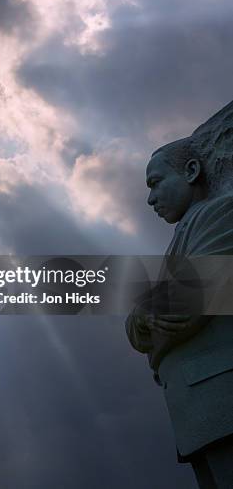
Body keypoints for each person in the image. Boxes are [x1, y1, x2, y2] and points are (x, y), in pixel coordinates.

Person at [126, 137, 233, 489]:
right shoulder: (181, 239)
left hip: (222, 398)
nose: (150, 199)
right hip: (199, 412)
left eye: (156, 182)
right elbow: (136, 326)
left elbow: (187, 304)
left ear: (191, 170)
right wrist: (143, 316)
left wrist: (146, 315)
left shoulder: (221, 212)